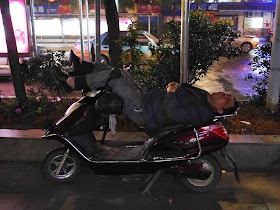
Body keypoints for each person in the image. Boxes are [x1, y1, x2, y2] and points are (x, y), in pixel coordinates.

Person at [54, 51, 238, 129]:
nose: (225, 95)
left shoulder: (203, 113)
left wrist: (171, 92)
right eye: (228, 95)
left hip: (145, 111)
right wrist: (174, 88)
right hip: (149, 100)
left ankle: (71, 83)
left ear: (220, 110)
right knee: (120, 73)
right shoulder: (204, 98)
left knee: (116, 79)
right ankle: (82, 69)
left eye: (227, 100)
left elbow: (174, 114)